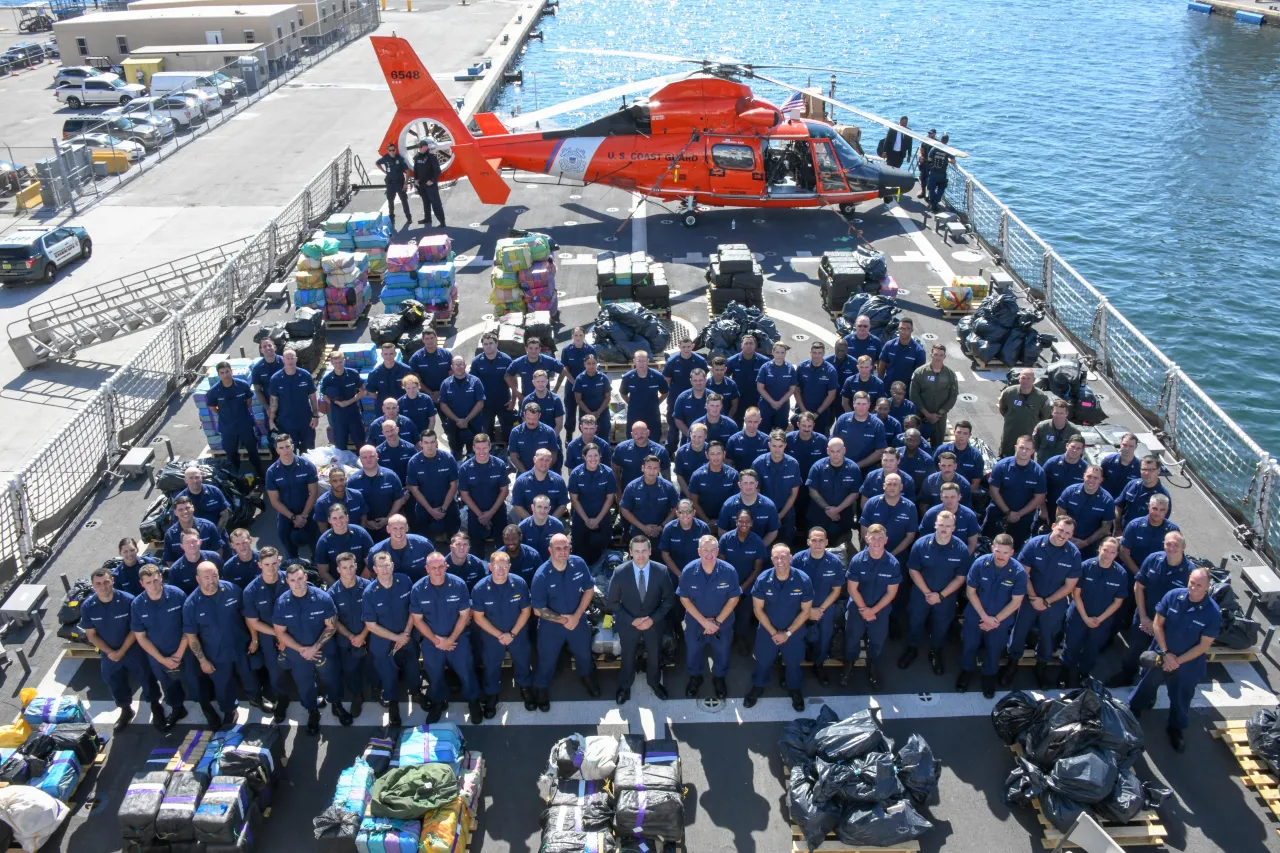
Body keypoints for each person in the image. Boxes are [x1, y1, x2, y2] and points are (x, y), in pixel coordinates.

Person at [1128, 567, 1220, 752]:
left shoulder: (1213, 613)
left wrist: (1177, 661)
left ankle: (1176, 728)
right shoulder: (1173, 596)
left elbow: (1203, 646)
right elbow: (1157, 624)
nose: (1193, 587)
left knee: (1181, 697)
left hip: (1187, 664)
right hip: (1162, 654)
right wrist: (1166, 653)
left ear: (1208, 587)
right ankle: (1134, 711)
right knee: (1146, 684)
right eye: (1191, 582)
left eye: (1199, 585)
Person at [999, 515, 1082, 688]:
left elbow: (1069, 586)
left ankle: (1041, 668)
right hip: (1029, 599)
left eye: (1068, 533)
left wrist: (1046, 601)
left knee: (1047, 636)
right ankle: (1012, 665)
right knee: (1019, 632)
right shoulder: (1034, 545)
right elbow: (1023, 574)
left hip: (1054, 602)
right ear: (1053, 526)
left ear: (1072, 534)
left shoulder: (1073, 554)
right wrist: (1034, 598)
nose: (1062, 535)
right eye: (1060, 530)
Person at [1108, 530, 1191, 688]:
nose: (1171, 548)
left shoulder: (1189, 573)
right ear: (1163, 545)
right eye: (1168, 544)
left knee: (1156, 658)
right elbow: (1138, 587)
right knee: (1133, 650)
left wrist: (1158, 626)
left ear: (1184, 547)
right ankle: (1126, 674)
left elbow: (1187, 606)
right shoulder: (1153, 560)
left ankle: (1145, 686)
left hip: (1166, 626)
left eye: (1176, 545)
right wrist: (1144, 617)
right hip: (1144, 618)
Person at [81, 567, 161, 732]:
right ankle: (126, 709)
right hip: (108, 652)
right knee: (113, 681)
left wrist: (121, 651)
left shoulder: (128, 601)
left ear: (112, 581)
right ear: (93, 586)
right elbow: (91, 635)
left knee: (146, 677)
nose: (103, 586)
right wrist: (111, 652)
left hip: (133, 649)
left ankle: (155, 705)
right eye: (98, 584)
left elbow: (135, 629)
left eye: (106, 582)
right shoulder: (88, 606)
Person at [183, 561, 262, 727]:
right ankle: (229, 710)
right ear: (198, 579)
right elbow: (192, 637)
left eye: (214, 576)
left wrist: (254, 638)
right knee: (223, 685)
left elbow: (248, 616)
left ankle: (255, 698)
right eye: (206, 577)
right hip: (216, 654)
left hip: (241, 647)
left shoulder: (233, 590)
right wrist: (203, 660)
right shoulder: (191, 605)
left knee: (249, 676)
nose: (211, 580)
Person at [411, 553, 483, 725]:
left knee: (466, 670)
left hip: (457, 638)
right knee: (434, 674)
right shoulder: (418, 589)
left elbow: (465, 615)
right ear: (426, 569)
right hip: (431, 640)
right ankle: (439, 701)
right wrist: (437, 641)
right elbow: (417, 619)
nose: (437, 571)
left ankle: (473, 701)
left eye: (441, 566)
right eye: (433, 568)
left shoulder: (458, 585)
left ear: (446, 566)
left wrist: (450, 639)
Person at [275, 562, 347, 733]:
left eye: (300, 578)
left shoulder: (322, 598)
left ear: (306, 577)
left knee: (331, 678)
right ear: (287, 581)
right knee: (304, 683)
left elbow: (331, 626)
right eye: (293, 580)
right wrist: (301, 649)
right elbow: (280, 632)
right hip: (297, 652)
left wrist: (315, 647)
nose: (297, 583)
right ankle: (312, 710)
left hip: (323, 649)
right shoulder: (282, 603)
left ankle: (336, 705)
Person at [131, 564, 205, 730]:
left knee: (195, 679)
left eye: (156, 580)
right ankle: (178, 709)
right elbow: (141, 637)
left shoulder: (177, 595)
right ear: (142, 584)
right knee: (167, 684)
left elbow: (189, 625)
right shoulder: (137, 605)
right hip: (158, 654)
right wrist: (162, 659)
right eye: (148, 582)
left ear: (161, 578)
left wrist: (179, 653)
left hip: (184, 650)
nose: (154, 585)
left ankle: (206, 707)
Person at [531, 534, 600, 711]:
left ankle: (587, 677)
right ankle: (542, 688)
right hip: (551, 626)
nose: (563, 552)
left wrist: (576, 616)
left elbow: (589, 588)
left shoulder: (578, 564)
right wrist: (563, 620)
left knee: (584, 654)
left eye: (566, 547)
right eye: (558, 548)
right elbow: (538, 610)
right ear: (550, 550)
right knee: (547, 659)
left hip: (577, 621)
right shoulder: (541, 575)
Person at [957, 534, 1027, 698]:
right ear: (992, 548)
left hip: (1000, 621)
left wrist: (995, 620)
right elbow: (970, 591)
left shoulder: (1018, 572)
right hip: (976, 614)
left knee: (994, 649)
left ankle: (988, 677)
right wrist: (984, 616)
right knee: (969, 644)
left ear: (1012, 552)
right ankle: (966, 671)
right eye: (998, 551)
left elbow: (1016, 602)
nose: (1001, 556)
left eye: (1005, 552)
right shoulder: (980, 564)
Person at [745, 544, 814, 712]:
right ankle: (758, 686)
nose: (780, 561)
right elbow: (758, 609)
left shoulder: (803, 580)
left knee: (793, 663)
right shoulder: (762, 579)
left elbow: (806, 612)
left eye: (783, 557)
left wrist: (788, 633)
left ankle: (795, 690)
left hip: (794, 632)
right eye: (776, 557)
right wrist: (775, 633)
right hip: (768, 631)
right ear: (771, 560)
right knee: (762, 661)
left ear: (791, 558)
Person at [607, 536, 675, 704]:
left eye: (644, 550)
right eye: (636, 551)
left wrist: (653, 619)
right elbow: (612, 602)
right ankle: (624, 686)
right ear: (630, 552)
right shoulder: (620, 572)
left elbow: (669, 600)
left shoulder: (661, 571)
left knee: (655, 654)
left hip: (654, 624)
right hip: (629, 624)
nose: (641, 555)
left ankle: (654, 682)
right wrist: (632, 620)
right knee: (628, 655)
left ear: (650, 551)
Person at [900, 511, 970, 674]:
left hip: (946, 596)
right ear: (935, 525)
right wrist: (927, 593)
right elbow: (913, 570)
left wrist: (940, 595)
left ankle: (935, 651)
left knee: (941, 625)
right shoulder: (921, 544)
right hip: (921, 593)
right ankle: (912, 648)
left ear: (954, 528)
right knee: (915, 622)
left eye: (948, 526)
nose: (944, 529)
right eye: (941, 525)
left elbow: (960, 578)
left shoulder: (961, 549)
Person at [471, 550, 536, 716]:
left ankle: (525, 687)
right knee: (491, 665)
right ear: (490, 567)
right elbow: (478, 617)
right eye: (497, 566)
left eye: (504, 566)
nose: (501, 570)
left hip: (517, 633)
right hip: (492, 636)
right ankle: (492, 694)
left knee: (522, 661)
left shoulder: (519, 583)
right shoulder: (480, 588)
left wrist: (512, 634)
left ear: (509, 567)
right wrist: (500, 635)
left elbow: (526, 611)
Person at [677, 535, 739, 700]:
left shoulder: (729, 571)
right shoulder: (688, 571)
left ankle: (719, 678)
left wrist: (717, 622)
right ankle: (695, 677)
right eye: (705, 550)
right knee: (693, 653)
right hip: (696, 624)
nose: (709, 554)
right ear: (699, 551)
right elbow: (684, 598)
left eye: (713, 550)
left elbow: (734, 598)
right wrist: (703, 622)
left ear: (718, 551)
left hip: (722, 624)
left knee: (722, 653)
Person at [1060, 537, 1128, 688]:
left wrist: (1099, 619)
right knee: (1071, 646)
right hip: (1079, 616)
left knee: (1092, 649)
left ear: (1116, 554)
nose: (1107, 554)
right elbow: (1075, 594)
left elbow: (1118, 602)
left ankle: (1083, 674)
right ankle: (1065, 674)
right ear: (1099, 549)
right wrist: (1085, 618)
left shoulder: (1120, 574)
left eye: (1112, 552)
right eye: (1105, 550)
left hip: (1101, 621)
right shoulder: (1085, 566)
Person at [841, 524, 901, 689]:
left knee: (877, 641)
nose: (876, 541)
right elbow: (852, 588)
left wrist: (872, 611)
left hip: (880, 612)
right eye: (873, 537)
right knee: (852, 639)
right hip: (857, 610)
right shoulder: (857, 561)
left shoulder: (893, 563)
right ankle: (849, 666)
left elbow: (891, 593)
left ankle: (872, 667)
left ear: (886, 540)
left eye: (880, 537)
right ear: (866, 539)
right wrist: (864, 610)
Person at [361, 551, 417, 726]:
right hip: (382, 641)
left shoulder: (405, 581)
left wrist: (405, 634)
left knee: (413, 667)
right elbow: (371, 625)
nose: (385, 569)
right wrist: (396, 637)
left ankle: (416, 693)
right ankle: (393, 705)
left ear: (392, 565)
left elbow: (414, 609)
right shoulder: (369, 592)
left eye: (387, 565)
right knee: (388, 674)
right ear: (374, 570)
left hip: (407, 636)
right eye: (380, 566)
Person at [241, 547, 288, 720]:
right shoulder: (251, 591)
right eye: (267, 564)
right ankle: (281, 700)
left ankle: (311, 694)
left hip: (294, 632)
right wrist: (279, 635)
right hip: (269, 637)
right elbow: (253, 621)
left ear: (279, 561)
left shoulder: (290, 580)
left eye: (274, 563)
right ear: (259, 565)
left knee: (302, 665)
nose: (271, 568)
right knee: (274, 671)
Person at [794, 528, 845, 684]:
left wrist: (820, 610)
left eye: (821, 540)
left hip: (825, 608)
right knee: (797, 636)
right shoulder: (797, 560)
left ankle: (819, 664)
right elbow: (791, 587)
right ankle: (794, 666)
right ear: (808, 541)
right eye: (814, 540)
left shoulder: (835, 563)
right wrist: (807, 611)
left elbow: (836, 590)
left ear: (826, 542)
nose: (817, 544)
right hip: (800, 608)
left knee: (824, 637)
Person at [328, 552, 371, 719]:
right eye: (344, 568)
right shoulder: (332, 593)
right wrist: (352, 636)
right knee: (350, 670)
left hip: (369, 635)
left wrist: (362, 635)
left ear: (356, 566)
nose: (349, 570)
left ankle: (376, 688)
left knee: (374, 665)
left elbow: (373, 614)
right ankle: (357, 695)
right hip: (346, 640)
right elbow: (334, 620)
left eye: (352, 566)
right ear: (338, 570)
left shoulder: (368, 586)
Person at [719, 509, 770, 652]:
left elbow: (757, 568)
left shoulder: (757, 542)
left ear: (752, 523)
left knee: (745, 613)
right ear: (736, 521)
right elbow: (721, 565)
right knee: (726, 612)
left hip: (748, 587)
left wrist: (742, 588)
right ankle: (725, 638)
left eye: (747, 521)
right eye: (741, 521)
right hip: (728, 585)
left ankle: (740, 637)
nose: (744, 524)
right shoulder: (725, 539)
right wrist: (732, 588)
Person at [985, 435, 1047, 548]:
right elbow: (993, 490)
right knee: (987, 544)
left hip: (1022, 517)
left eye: (1028, 449)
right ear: (1015, 447)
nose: (1024, 451)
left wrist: (1018, 514)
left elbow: (1039, 497)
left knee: (1016, 548)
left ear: (1033, 451)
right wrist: (1008, 512)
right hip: (998, 512)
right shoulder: (1001, 466)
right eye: (1021, 447)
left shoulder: (1038, 472)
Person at [265, 433, 320, 559]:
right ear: (276, 450)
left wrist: (304, 516)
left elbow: (314, 493)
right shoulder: (272, 472)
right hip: (286, 516)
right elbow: (275, 501)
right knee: (289, 551)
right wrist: (294, 517)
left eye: (287, 446)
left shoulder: (307, 466)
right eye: (281, 448)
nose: (285, 451)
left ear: (293, 446)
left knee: (316, 550)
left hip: (309, 513)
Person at [205, 361, 264, 478]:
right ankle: (235, 476)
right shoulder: (214, 391)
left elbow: (248, 400)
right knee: (231, 453)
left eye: (227, 371)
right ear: (218, 375)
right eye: (222, 373)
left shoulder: (242, 385)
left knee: (252, 449)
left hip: (244, 424)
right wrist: (223, 414)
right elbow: (212, 406)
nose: (225, 375)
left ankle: (260, 473)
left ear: (231, 371)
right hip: (228, 428)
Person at [806, 437, 862, 545]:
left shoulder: (853, 469)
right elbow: (812, 490)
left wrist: (837, 510)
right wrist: (827, 508)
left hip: (843, 518)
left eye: (838, 451)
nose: (835, 455)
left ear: (844, 450)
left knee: (842, 552)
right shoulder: (817, 467)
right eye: (832, 451)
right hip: (819, 517)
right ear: (827, 451)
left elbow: (855, 493)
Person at [406, 432, 461, 542]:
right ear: (421, 444)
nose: (429, 446)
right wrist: (430, 510)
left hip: (448, 505)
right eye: (426, 442)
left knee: (455, 539)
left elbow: (454, 485)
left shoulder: (448, 459)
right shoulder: (413, 462)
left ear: (436, 443)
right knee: (424, 541)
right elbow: (414, 489)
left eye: (432, 442)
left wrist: (444, 508)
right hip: (425, 507)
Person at [568, 441, 616, 565]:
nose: (593, 459)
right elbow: (574, 499)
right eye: (590, 456)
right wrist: (586, 520)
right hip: (581, 519)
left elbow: (610, 498)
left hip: (602, 519)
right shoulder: (576, 474)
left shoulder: (608, 473)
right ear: (584, 457)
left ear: (600, 456)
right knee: (580, 553)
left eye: (596, 455)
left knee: (602, 554)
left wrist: (597, 520)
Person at [457, 434, 510, 545]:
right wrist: (481, 515)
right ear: (473, 448)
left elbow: (504, 490)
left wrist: (490, 513)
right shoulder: (465, 468)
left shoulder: (499, 465)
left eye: (485, 448)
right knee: (476, 547)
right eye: (478, 448)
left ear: (490, 447)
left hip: (497, 510)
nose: (482, 452)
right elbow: (464, 494)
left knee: (502, 545)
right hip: (475, 512)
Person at [349, 445, 407, 540]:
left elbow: (399, 499)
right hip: (364, 529)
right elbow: (350, 505)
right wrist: (366, 522)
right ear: (360, 459)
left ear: (377, 456)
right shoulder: (353, 482)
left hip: (390, 528)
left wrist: (388, 519)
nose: (369, 460)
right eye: (365, 457)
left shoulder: (391, 476)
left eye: (371, 456)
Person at [620, 455, 680, 545]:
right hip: (638, 534)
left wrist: (661, 527)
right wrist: (643, 527)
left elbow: (676, 508)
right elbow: (624, 509)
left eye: (655, 468)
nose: (652, 471)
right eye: (649, 467)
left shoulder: (668, 487)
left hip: (662, 535)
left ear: (659, 469)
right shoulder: (632, 487)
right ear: (643, 468)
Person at [1057, 465, 1115, 558]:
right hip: (1064, 539)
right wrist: (1068, 537)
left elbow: (1105, 528)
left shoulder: (1107, 501)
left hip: (1090, 546)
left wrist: (1085, 542)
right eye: (1089, 476)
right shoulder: (1070, 492)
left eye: (1095, 478)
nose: (1091, 480)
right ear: (1084, 476)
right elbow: (1060, 515)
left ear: (1101, 480)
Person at [268, 347, 319, 453]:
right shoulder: (276, 379)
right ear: (283, 360)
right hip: (287, 422)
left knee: (310, 450)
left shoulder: (305, 375)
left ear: (296, 359)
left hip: (306, 421)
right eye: (287, 358)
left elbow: (313, 398)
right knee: (290, 451)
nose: (290, 360)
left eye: (292, 358)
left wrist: (315, 416)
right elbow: (274, 402)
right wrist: (271, 420)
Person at [1119, 494, 1179, 582]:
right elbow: (1123, 553)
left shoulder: (1173, 530)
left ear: (1166, 510)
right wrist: (1139, 575)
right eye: (1155, 508)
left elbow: (1176, 556)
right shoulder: (1134, 526)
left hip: (1158, 580)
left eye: (1162, 510)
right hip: (1132, 576)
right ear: (1149, 506)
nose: (1157, 513)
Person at [663, 340, 710, 451]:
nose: (686, 349)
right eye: (684, 347)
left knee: (697, 425)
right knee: (673, 428)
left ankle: (701, 449)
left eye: (689, 346)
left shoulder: (700, 361)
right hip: (675, 399)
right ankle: (670, 452)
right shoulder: (672, 361)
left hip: (696, 397)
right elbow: (667, 380)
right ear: (679, 346)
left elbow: (704, 377)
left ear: (693, 346)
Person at [859, 472, 918, 559]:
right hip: (872, 554)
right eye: (889, 484)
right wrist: (876, 549)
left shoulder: (910, 507)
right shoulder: (872, 503)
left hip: (898, 557)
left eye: (895, 484)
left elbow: (910, 536)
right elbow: (864, 528)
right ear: (883, 486)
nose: (892, 487)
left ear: (901, 487)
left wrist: (891, 555)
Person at [909, 344, 958, 447]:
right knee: (917, 444)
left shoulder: (950, 375)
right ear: (931, 355)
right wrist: (926, 413)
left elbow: (953, 397)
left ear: (944, 357)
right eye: (935, 354)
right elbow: (914, 395)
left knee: (937, 446)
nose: (938, 357)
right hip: (921, 417)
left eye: (941, 355)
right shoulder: (920, 373)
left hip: (939, 419)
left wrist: (939, 414)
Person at [315, 504, 375, 584]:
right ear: (329, 520)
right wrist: (338, 589)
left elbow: (370, 563)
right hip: (337, 584)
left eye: (341, 517)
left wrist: (359, 584)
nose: (338, 521)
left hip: (363, 581)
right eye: (334, 518)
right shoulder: (324, 541)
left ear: (347, 517)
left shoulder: (361, 534)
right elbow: (323, 572)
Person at [470, 333, 515, 443]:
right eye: (485, 344)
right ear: (482, 346)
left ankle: (508, 453)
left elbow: (514, 382)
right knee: (486, 432)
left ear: (497, 344)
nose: (488, 346)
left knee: (508, 431)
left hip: (504, 402)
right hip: (485, 404)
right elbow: (473, 385)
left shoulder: (506, 360)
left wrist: (513, 401)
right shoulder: (476, 362)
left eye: (491, 343)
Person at [437, 356, 485, 458]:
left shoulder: (475, 382)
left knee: (475, 453)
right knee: (455, 454)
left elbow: (480, 403)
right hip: (454, 425)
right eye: (456, 365)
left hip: (473, 424)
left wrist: (467, 420)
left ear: (465, 365)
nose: (459, 367)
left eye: (461, 364)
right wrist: (457, 420)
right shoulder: (445, 384)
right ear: (452, 367)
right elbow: (443, 405)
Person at [998, 369, 1053, 458]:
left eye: (1028, 378)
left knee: (1025, 458)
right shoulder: (1009, 392)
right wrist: (1011, 419)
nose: (1025, 381)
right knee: (1005, 457)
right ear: (1019, 379)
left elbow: (1045, 416)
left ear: (1034, 380)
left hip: (1029, 435)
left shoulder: (1041, 398)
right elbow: (1003, 408)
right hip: (1010, 433)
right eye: (1023, 378)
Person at [718, 469, 780, 546]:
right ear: (739, 485)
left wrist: (759, 548)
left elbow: (773, 531)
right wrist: (735, 547)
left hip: (760, 552)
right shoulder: (729, 505)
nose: (748, 486)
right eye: (745, 483)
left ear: (756, 484)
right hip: (734, 551)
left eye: (751, 483)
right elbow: (721, 530)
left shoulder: (768, 505)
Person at [320, 350, 366, 452]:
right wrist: (337, 403)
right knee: (340, 445)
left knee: (360, 442)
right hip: (338, 415)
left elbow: (363, 392)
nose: (338, 365)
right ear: (331, 362)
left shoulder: (353, 374)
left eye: (340, 362)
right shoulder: (328, 379)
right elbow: (325, 397)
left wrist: (349, 402)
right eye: (335, 363)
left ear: (344, 361)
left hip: (353, 413)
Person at [368, 514, 435, 583]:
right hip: (391, 590)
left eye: (401, 528)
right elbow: (372, 575)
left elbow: (435, 566)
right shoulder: (376, 552)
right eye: (395, 528)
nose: (398, 532)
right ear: (388, 529)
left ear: (407, 528)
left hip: (420, 587)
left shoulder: (423, 545)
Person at [619, 351, 669, 442]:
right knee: (633, 440)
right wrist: (631, 403)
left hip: (652, 415)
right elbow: (623, 393)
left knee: (654, 439)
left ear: (648, 361)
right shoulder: (628, 378)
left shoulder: (657, 377)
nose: (641, 364)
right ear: (634, 361)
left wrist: (656, 402)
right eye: (639, 361)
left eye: (644, 361)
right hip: (634, 415)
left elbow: (665, 392)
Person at [831, 392, 887, 471]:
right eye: (858, 403)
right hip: (842, 467)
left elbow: (880, 451)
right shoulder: (843, 419)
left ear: (869, 405)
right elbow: (833, 441)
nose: (861, 407)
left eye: (864, 404)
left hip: (866, 470)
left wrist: (857, 465)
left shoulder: (877, 424)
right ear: (853, 404)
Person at [688, 442, 739, 531]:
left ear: (724, 454)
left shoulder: (733, 475)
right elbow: (694, 502)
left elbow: (736, 501)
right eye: (712, 454)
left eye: (719, 454)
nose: (716, 457)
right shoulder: (697, 475)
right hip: (703, 523)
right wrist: (707, 521)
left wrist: (720, 522)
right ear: (707, 455)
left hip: (727, 523)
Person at [920, 483, 981, 552]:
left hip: (960, 555)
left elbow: (972, 543)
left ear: (959, 497)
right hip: (934, 553)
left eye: (953, 497)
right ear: (941, 497)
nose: (949, 500)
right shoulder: (931, 514)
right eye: (946, 497)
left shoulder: (969, 515)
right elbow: (923, 539)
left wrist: (963, 559)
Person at [1116, 455, 1173, 529]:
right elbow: (1118, 507)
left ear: (1159, 470)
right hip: (1123, 532)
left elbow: (1161, 521)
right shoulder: (1132, 485)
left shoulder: (1163, 495)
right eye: (1144, 469)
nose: (1146, 473)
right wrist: (1117, 529)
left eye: (1151, 470)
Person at [558, 327, 596, 438]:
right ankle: (569, 434)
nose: (578, 338)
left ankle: (585, 435)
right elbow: (565, 368)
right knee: (570, 409)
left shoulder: (590, 350)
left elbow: (593, 367)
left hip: (586, 385)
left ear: (584, 336)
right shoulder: (567, 350)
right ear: (572, 337)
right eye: (576, 335)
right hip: (571, 384)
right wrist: (574, 382)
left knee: (585, 410)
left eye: (580, 335)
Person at [512, 449, 569, 521]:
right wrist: (532, 522)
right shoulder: (521, 481)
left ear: (551, 461)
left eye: (547, 460)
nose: (544, 463)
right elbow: (517, 505)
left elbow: (563, 504)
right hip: (528, 525)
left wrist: (550, 521)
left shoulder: (558, 481)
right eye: (541, 459)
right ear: (534, 459)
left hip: (552, 525)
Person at [163, 495, 224, 562]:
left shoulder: (208, 527)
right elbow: (170, 560)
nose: (185, 512)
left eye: (187, 508)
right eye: (180, 510)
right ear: (175, 512)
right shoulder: (170, 535)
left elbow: (218, 550)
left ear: (193, 508)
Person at [795, 342, 839, 434]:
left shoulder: (830, 371)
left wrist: (817, 413)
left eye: (819, 353)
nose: (816, 356)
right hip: (802, 411)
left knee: (820, 440)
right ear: (810, 353)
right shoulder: (802, 367)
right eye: (814, 353)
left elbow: (831, 395)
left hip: (821, 414)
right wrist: (804, 412)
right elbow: (796, 390)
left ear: (823, 354)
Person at [614, 421, 671, 492]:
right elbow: (615, 471)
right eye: (636, 433)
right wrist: (618, 493)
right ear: (632, 435)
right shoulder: (621, 449)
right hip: (628, 493)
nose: (640, 436)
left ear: (648, 432)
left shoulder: (660, 451)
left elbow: (666, 477)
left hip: (653, 492)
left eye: (642, 433)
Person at [508, 403, 562, 475]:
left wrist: (542, 471)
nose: (531, 422)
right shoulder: (515, 433)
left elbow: (554, 455)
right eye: (528, 418)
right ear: (524, 415)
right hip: (523, 473)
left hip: (545, 473)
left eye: (534, 419)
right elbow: (513, 457)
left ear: (539, 416)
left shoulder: (549, 432)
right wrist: (526, 474)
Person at [1043, 434, 1088, 518]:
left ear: (1082, 450)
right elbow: (1040, 489)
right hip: (1049, 508)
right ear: (1067, 445)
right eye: (1073, 446)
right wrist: (1042, 509)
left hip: (1072, 514)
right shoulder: (1052, 463)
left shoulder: (1085, 469)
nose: (1074, 450)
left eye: (1078, 448)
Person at [167, 530, 223, 597]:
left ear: (200, 542)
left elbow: (224, 581)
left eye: (194, 541)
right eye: (187, 542)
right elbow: (176, 595)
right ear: (182, 546)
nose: (191, 545)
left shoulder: (214, 558)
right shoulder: (175, 570)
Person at [756, 342, 797, 431]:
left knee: (780, 432)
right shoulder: (765, 367)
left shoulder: (790, 368)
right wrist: (772, 402)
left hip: (782, 406)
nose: (780, 355)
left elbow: (792, 389)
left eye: (782, 352)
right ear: (773, 352)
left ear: (785, 353)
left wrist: (780, 402)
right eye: (777, 352)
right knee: (764, 430)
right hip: (766, 406)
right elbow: (760, 387)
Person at [877, 318, 927, 392]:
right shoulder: (889, 345)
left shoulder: (919, 351)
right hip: (888, 388)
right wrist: (880, 384)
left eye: (907, 329)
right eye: (901, 328)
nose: (903, 331)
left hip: (906, 391)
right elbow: (881, 366)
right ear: (898, 329)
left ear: (912, 330)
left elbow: (919, 375)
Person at [313, 467, 368, 534]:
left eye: (341, 480)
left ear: (345, 479)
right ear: (329, 482)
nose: (339, 483)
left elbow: (364, 516)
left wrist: (361, 534)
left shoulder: (357, 496)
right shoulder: (322, 503)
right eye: (335, 481)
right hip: (335, 540)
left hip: (357, 537)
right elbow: (323, 529)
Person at [934, 420, 984, 491]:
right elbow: (932, 472)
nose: (961, 436)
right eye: (959, 432)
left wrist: (962, 498)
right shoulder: (941, 450)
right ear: (954, 432)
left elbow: (975, 483)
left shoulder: (976, 456)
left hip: (964, 494)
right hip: (942, 492)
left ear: (969, 435)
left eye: (965, 433)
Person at [408, 328, 453, 406]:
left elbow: (451, 375)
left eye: (432, 338)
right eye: (427, 339)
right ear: (423, 340)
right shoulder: (416, 358)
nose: (430, 341)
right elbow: (415, 380)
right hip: (424, 396)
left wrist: (441, 392)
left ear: (436, 338)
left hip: (445, 393)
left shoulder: (447, 355)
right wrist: (429, 393)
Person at [367, 343, 416, 409]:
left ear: (395, 354)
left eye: (391, 354)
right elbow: (371, 392)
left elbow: (414, 387)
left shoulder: (406, 370)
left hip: (404, 406)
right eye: (386, 354)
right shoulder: (374, 373)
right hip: (385, 409)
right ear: (381, 355)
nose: (388, 357)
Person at [519, 496, 566, 564]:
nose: (542, 511)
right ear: (532, 507)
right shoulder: (522, 527)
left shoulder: (557, 526)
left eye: (545, 508)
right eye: (539, 507)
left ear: (549, 509)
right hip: (530, 566)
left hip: (551, 564)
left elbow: (562, 549)